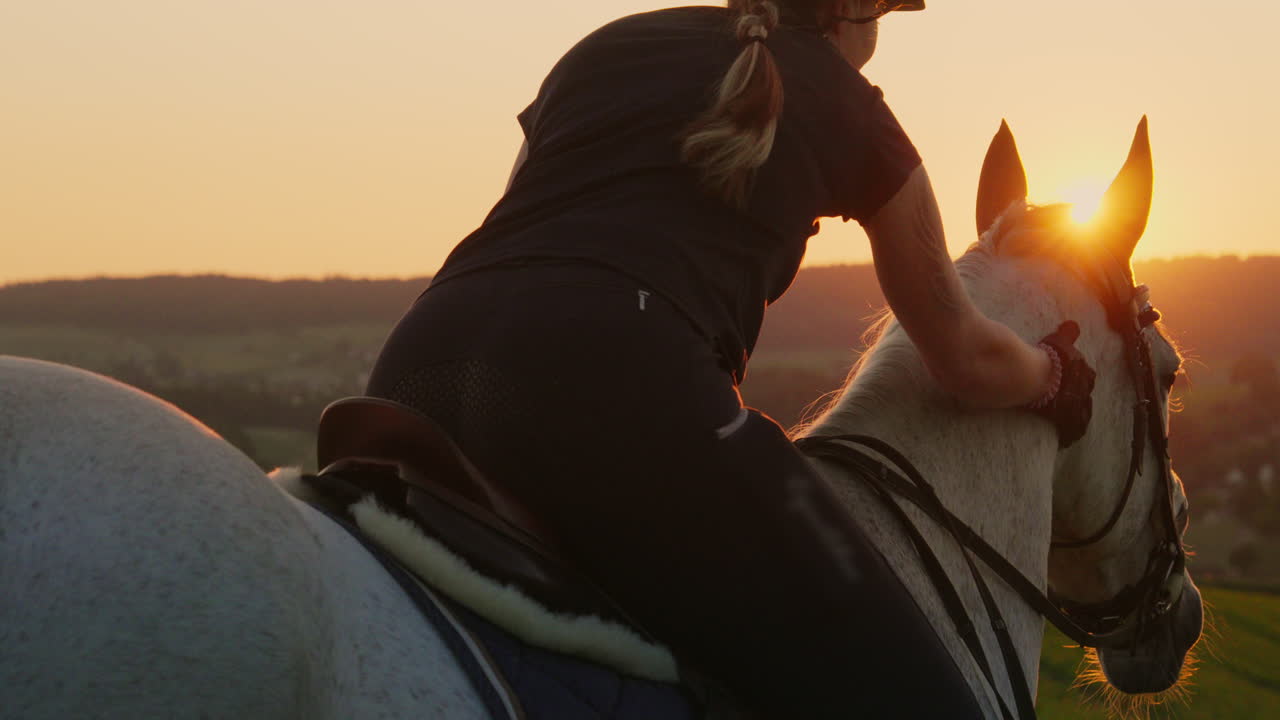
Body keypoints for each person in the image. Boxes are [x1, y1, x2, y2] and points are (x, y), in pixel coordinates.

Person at [366, 1, 1094, 717]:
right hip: (620, 387)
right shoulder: (856, 111)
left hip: (417, 369)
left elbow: (521, 214)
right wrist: (1053, 375)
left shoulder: (607, 44)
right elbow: (962, 354)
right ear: (855, 11)